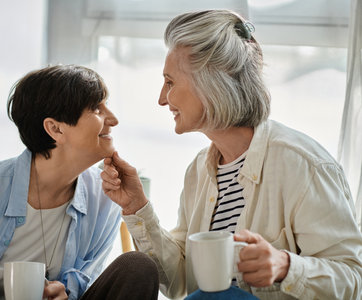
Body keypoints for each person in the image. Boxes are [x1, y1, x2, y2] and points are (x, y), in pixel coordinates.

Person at [101, 10, 362, 300]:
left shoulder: (303, 165)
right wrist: (137, 207)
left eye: (170, 82)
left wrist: (285, 267)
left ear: (211, 82)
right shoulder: (198, 171)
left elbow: (352, 278)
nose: (162, 98)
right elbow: (181, 284)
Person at [0, 65, 159, 300]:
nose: (113, 119)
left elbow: (89, 281)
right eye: (96, 109)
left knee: (137, 267)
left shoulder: (104, 197)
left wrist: (66, 293)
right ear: (55, 129)